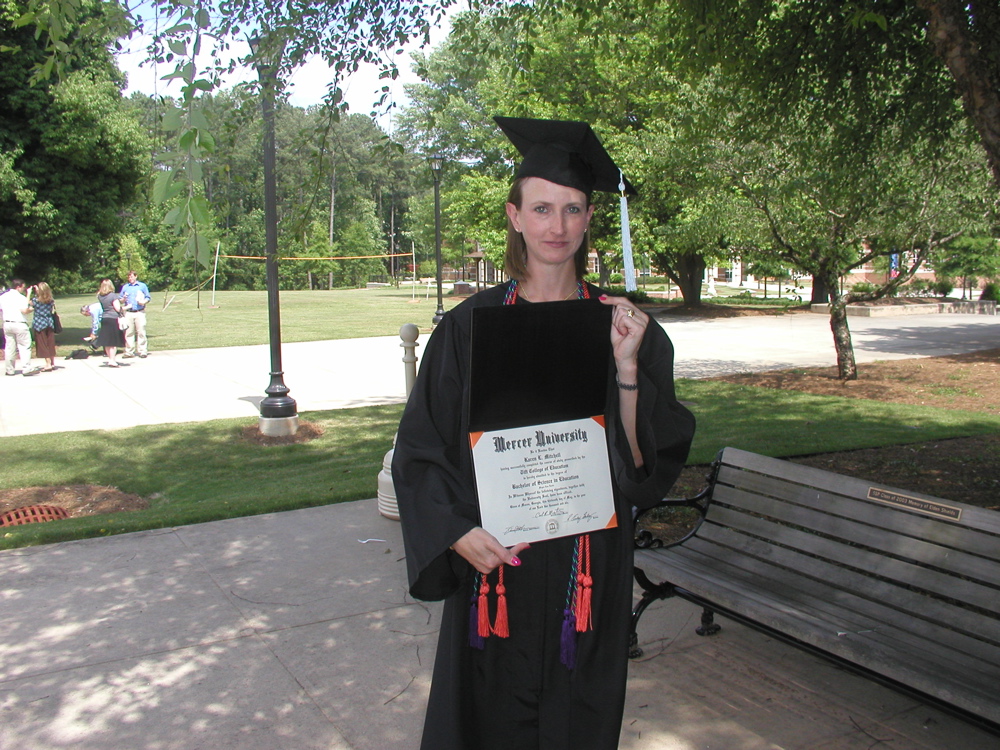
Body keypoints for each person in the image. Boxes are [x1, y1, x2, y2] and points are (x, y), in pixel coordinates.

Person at [392, 117, 696, 750]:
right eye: (541, 208)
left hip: (586, 569)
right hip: (496, 562)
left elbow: (643, 470)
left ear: (588, 219)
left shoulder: (627, 327)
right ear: (515, 216)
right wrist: (453, 531)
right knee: (487, 721)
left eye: (573, 209)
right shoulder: (467, 328)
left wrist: (628, 368)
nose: (556, 226)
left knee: (575, 721)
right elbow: (421, 449)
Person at [1, 279, 38, 376]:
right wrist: (31, 309)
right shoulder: (20, 298)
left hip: (7, 323)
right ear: (18, 287)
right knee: (24, 346)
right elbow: (24, 310)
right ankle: (26, 368)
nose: (23, 289)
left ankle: (10, 369)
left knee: (9, 347)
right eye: (23, 287)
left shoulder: (3, 297)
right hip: (19, 323)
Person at [118, 270, 150, 358]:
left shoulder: (142, 286)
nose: (130, 278)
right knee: (129, 332)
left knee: (141, 331)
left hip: (139, 311)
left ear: (136, 276)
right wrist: (123, 299)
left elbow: (148, 297)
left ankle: (142, 351)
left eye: (131, 277)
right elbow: (120, 299)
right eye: (129, 277)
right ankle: (129, 352)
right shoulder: (125, 287)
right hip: (129, 312)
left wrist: (143, 302)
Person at [95, 278, 125, 367]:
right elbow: (117, 308)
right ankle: (112, 360)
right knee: (113, 341)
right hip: (113, 318)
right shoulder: (113, 296)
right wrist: (126, 307)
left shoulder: (100, 296)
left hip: (104, 318)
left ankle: (110, 358)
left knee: (108, 342)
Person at [29, 281, 58, 372]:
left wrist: (29, 293)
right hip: (49, 322)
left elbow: (27, 304)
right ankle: (52, 362)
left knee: (42, 344)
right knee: (50, 343)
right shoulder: (51, 300)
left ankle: (48, 363)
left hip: (39, 324)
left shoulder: (35, 301)